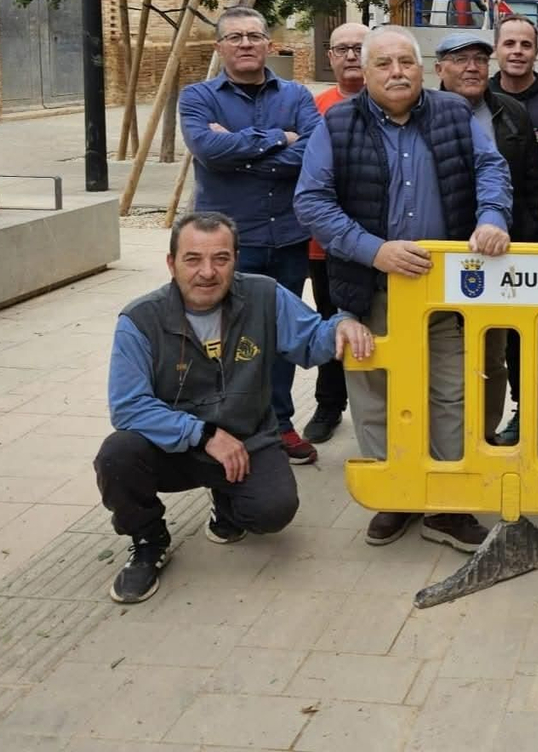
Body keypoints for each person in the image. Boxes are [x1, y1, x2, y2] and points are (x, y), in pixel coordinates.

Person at [293, 25, 512, 551]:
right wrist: (375, 249)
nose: (396, 72)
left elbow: (491, 169)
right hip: (371, 290)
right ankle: (395, 495)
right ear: (363, 73)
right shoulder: (338, 122)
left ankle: (446, 506)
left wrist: (492, 216)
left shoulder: (454, 114)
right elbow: (312, 202)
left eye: (406, 62)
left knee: (451, 392)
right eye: (383, 64)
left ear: (422, 69)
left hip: (447, 294)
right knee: (374, 398)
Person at [94, 211, 374, 604]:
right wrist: (204, 434)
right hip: (172, 445)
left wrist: (343, 324)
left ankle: (225, 506)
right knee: (117, 455)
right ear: (171, 263)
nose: (207, 272)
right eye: (193, 259)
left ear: (235, 260)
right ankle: (147, 540)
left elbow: (311, 340)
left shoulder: (264, 295)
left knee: (274, 511)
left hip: (246, 438)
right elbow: (127, 407)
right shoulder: (140, 319)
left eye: (220, 259)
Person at [178, 6, 322, 465]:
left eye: (254, 36)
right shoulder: (197, 97)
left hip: (289, 238)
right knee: (221, 338)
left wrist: (240, 146)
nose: (245, 44)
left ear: (267, 45)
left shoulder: (297, 95)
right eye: (235, 37)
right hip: (225, 247)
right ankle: (225, 429)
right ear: (219, 47)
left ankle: (280, 424)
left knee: (280, 335)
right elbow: (207, 149)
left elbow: (314, 154)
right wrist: (281, 137)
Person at [435, 31, 538, 446]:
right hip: (438, 259)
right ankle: (441, 445)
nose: (472, 67)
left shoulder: (511, 112)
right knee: (439, 359)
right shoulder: (421, 110)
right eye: (460, 59)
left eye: (480, 59)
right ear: (439, 68)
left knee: (492, 358)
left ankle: (481, 438)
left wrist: (526, 242)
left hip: (498, 258)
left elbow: (532, 182)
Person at [302, 22, 367, 445]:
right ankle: (329, 404)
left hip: (381, 244)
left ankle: (378, 410)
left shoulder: (396, 102)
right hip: (324, 246)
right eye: (341, 48)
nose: (350, 56)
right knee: (332, 324)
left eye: (359, 48)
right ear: (329, 57)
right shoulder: (316, 107)